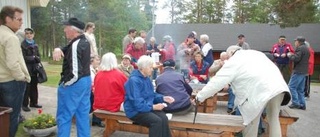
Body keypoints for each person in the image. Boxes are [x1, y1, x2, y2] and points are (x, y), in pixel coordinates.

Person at [196, 45, 291, 137]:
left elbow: (216, 83)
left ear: (232, 52)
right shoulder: (256, 53)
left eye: (228, 57)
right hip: (278, 86)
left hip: (259, 90)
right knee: (273, 119)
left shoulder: (234, 60)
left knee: (251, 122)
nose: (227, 60)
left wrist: (199, 97)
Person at [53, 17, 91, 137]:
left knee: (64, 116)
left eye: (66, 28)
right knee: (82, 115)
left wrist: (65, 84)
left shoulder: (76, 44)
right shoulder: (83, 41)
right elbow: (68, 48)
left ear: (73, 30)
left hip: (75, 83)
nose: (64, 30)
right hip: (86, 81)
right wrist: (59, 48)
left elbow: (75, 73)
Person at [124, 55, 175, 137]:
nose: (152, 69)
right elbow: (137, 103)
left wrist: (163, 98)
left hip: (146, 106)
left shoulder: (146, 78)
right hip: (134, 111)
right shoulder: (133, 81)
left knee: (164, 118)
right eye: (150, 67)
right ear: (143, 68)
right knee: (156, 121)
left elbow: (151, 95)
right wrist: (153, 107)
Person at [0, 6, 30, 137]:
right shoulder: (11, 37)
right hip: (11, 82)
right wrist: (21, 77)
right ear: (7, 19)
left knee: (2, 117)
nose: (21, 22)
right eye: (18, 19)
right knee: (12, 117)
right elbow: (13, 64)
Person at [21, 28, 42, 112]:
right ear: (25, 35)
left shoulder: (35, 45)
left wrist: (36, 58)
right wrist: (33, 57)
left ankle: (34, 102)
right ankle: (25, 104)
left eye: (30, 33)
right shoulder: (23, 45)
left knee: (34, 86)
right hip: (27, 69)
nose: (29, 35)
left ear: (33, 34)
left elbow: (39, 57)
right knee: (27, 87)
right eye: (27, 33)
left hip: (35, 69)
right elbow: (23, 57)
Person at [287, 36, 310, 110]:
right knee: (300, 89)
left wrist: (290, 55)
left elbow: (296, 59)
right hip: (304, 71)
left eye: (296, 41)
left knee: (291, 86)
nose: (295, 43)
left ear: (299, 42)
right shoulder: (307, 48)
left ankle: (295, 103)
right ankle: (302, 104)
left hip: (298, 71)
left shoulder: (300, 48)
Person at [89, 55, 104, 127]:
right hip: (89, 91)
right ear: (92, 61)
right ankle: (95, 120)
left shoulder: (97, 69)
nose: (99, 62)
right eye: (97, 60)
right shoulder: (88, 70)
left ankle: (96, 119)